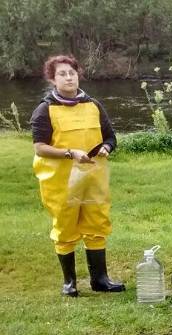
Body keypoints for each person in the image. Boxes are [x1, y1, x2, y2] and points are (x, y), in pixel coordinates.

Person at [30, 54, 124, 297]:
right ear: (53, 79)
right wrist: (70, 153)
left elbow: (111, 136)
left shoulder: (93, 105)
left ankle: (100, 279)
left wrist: (107, 147)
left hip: (94, 178)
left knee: (97, 223)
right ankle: (69, 282)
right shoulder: (45, 109)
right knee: (65, 226)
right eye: (62, 74)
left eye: (71, 73)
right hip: (60, 180)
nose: (68, 77)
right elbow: (39, 147)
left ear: (78, 75)